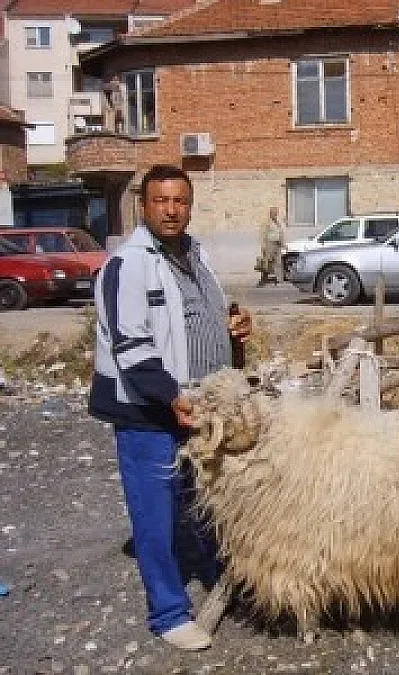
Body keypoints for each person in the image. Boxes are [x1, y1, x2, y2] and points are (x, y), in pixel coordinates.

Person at [89, 164, 252, 651]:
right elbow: (132, 346)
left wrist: (234, 332)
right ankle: (167, 612)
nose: (171, 210)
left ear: (190, 204)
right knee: (154, 512)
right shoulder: (130, 263)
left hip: (196, 405)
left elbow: (198, 324)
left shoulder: (196, 257)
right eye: (161, 201)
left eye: (179, 201)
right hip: (149, 411)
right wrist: (171, 397)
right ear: (144, 205)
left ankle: (218, 576)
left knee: (202, 501)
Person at [256, 206, 284, 286]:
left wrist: (283, 244)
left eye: (276, 213)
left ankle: (277, 279)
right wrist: (263, 246)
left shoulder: (278, 222)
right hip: (269, 244)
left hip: (277, 244)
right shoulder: (267, 222)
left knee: (277, 262)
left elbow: (281, 233)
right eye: (274, 213)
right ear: (270, 213)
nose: (275, 214)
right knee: (267, 262)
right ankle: (263, 280)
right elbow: (262, 234)